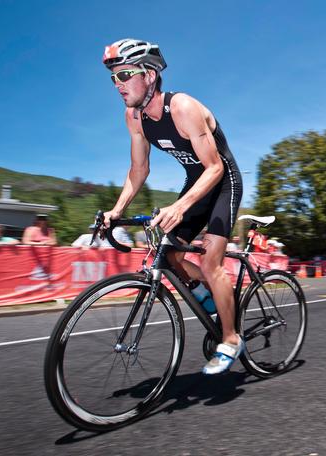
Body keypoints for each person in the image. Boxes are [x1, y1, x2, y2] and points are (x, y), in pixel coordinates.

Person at [101, 39, 243, 375]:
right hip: (196, 184)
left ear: (149, 75)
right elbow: (139, 170)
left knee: (210, 262)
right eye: (114, 78)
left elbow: (215, 168)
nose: (118, 85)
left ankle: (232, 338)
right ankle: (211, 300)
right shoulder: (134, 116)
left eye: (125, 75)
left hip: (223, 182)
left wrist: (180, 206)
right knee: (172, 255)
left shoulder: (182, 108)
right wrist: (116, 210)